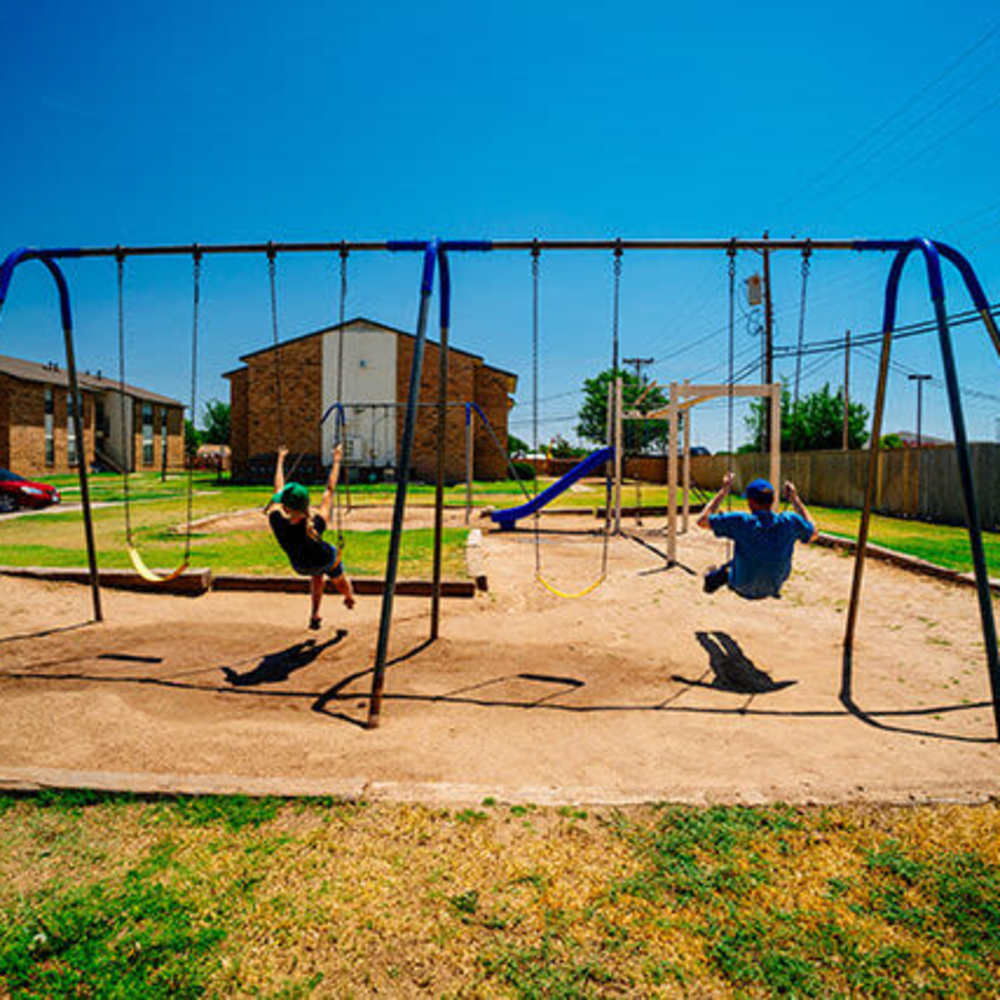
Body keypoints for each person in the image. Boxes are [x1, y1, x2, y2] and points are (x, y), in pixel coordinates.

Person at [267, 443, 355, 629]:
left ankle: (315, 614)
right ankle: (348, 597)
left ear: (285, 507)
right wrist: (337, 460)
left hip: (300, 566)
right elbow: (329, 490)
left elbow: (278, 490)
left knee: (316, 575)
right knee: (337, 574)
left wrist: (280, 460)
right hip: (325, 559)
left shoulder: (277, 522)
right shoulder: (316, 523)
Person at [697, 473, 817, 599]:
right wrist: (795, 499)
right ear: (772, 500)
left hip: (742, 585)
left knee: (727, 568)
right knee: (752, 556)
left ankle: (714, 577)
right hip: (774, 585)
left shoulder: (741, 521)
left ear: (751, 502)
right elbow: (814, 534)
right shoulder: (790, 521)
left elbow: (702, 521)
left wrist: (723, 491)